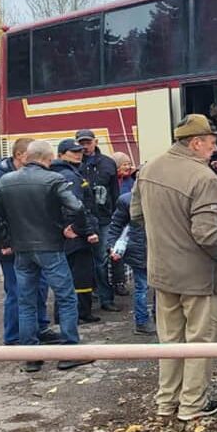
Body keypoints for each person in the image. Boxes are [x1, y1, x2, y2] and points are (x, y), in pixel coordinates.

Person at [131, 114, 217, 421]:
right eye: (212, 143)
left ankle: (166, 402)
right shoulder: (204, 177)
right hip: (196, 275)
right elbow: (208, 234)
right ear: (196, 143)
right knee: (200, 342)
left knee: (169, 340)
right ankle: (192, 405)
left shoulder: (148, 168)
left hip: (161, 271)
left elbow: (135, 214)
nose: (214, 149)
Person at [0, 140, 93, 372]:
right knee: (66, 298)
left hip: (21, 251)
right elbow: (77, 207)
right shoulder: (53, 179)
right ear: (47, 159)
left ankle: (31, 356)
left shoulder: (6, 181)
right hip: (51, 248)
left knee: (26, 301)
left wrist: (5, 241)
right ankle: (69, 352)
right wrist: (73, 229)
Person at [0, 137, 59, 346]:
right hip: (10, 246)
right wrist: (7, 226)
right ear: (20, 155)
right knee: (18, 291)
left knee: (39, 288)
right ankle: (13, 337)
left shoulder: (32, 174)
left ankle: (39, 328)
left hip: (34, 242)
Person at [50, 139, 102, 324]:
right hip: (75, 235)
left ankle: (82, 312)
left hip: (75, 232)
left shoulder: (71, 172)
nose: (78, 154)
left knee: (82, 274)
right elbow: (76, 207)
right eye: (73, 151)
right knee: (76, 275)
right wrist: (86, 231)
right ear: (61, 154)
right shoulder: (68, 175)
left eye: (79, 151)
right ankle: (71, 315)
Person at [76, 129, 125, 305]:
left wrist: (116, 216)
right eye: (81, 143)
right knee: (83, 260)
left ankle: (106, 299)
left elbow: (115, 192)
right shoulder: (74, 164)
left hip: (104, 218)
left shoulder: (108, 163)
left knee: (102, 259)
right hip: (82, 219)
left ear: (96, 142)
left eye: (88, 142)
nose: (85, 146)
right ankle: (88, 298)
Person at [108, 190, 155, 335]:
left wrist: (111, 244)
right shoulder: (128, 200)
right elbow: (116, 225)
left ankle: (147, 320)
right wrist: (111, 245)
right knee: (145, 288)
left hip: (143, 249)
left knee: (145, 288)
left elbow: (116, 224)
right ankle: (143, 321)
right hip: (143, 251)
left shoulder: (126, 199)